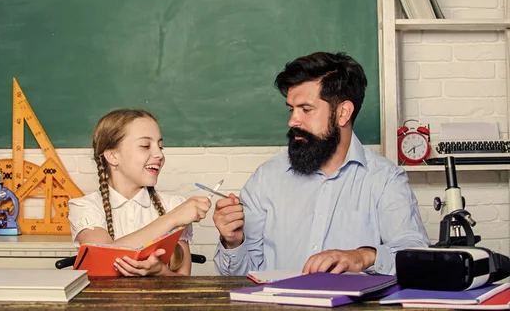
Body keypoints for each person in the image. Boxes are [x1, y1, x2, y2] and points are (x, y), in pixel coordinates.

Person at [212, 52, 430, 276]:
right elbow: (239, 280)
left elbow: (417, 257)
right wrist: (233, 243)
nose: (292, 121)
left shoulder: (385, 179)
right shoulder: (266, 179)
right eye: (291, 109)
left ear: (343, 113)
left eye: (306, 110)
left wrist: (364, 256)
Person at [69, 109, 211, 276]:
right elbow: (104, 256)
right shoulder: (85, 207)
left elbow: (183, 281)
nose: (159, 154)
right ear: (113, 156)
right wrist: (172, 218)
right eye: (145, 146)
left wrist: (161, 273)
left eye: (160, 146)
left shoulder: (174, 205)